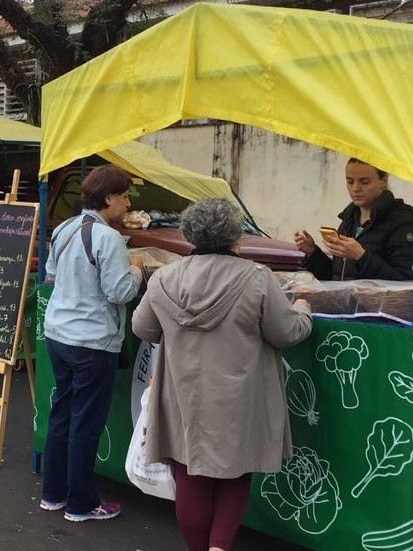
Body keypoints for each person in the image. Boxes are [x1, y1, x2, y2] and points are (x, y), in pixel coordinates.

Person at [131, 199, 313, 551]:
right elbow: (285, 333)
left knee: (188, 476)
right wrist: (303, 310)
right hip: (239, 394)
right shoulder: (256, 278)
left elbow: (142, 327)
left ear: (189, 233)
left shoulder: (165, 277)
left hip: (181, 393)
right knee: (236, 473)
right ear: (235, 236)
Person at [40, 165, 144, 522]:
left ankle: (53, 494)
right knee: (85, 424)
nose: (128, 204)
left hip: (58, 334)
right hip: (92, 342)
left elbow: (52, 276)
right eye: (125, 196)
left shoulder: (65, 229)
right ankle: (81, 504)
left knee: (62, 415)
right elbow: (120, 291)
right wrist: (137, 269)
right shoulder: (108, 238)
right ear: (109, 197)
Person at [293, 158, 413, 281]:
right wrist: (313, 252)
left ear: (383, 181)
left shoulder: (402, 220)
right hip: (342, 300)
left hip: (373, 301)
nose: (355, 188)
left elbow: (404, 280)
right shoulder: (349, 220)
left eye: (364, 182)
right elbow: (337, 277)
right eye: (350, 182)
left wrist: (361, 256)